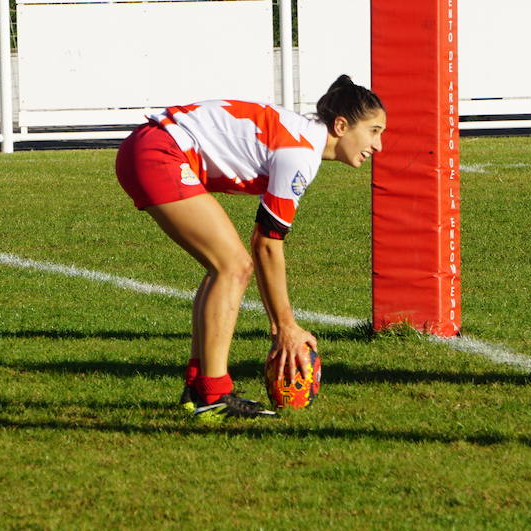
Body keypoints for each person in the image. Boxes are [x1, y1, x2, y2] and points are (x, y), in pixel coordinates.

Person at [114, 76, 386, 422]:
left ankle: (199, 388)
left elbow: (265, 240)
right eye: (374, 131)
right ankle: (213, 396)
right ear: (342, 125)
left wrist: (280, 324)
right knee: (233, 266)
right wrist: (285, 326)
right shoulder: (300, 152)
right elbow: (267, 245)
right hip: (158, 153)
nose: (378, 145)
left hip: (152, 148)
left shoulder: (301, 141)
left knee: (224, 267)